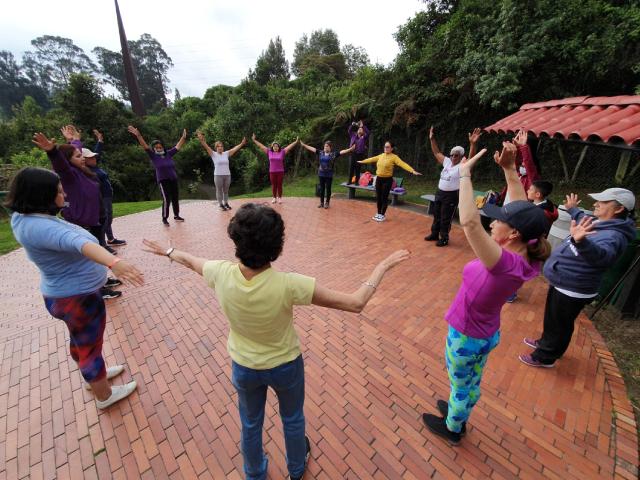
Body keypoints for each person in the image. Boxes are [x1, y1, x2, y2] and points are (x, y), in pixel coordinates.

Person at [142, 203, 409, 480]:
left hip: (244, 367)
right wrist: (381, 267)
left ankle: (255, 474)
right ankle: (296, 470)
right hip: (285, 366)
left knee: (250, 424)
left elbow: (191, 261)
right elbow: (356, 303)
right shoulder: (290, 284)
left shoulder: (219, 272)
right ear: (276, 246)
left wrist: (169, 252)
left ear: (236, 240)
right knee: (293, 419)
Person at [422, 142, 551, 446]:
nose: (492, 223)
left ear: (514, 233)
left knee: (462, 384)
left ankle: (454, 426)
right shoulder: (525, 258)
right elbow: (521, 209)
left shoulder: (503, 263)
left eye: (497, 221)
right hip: (485, 332)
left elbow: (468, 222)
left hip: (466, 335)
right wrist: (509, 170)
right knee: (469, 380)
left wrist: (464, 175)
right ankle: (459, 408)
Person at [5, 162, 144, 410]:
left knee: (82, 342)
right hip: (78, 298)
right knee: (89, 347)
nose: (64, 194)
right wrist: (114, 262)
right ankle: (104, 394)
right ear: (41, 197)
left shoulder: (23, 218)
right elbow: (80, 244)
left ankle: (94, 374)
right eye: (59, 191)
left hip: (62, 296)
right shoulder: (42, 228)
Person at [519, 188, 636, 368]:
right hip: (563, 282)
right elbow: (584, 220)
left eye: (603, 202)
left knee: (561, 324)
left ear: (619, 209)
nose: (596, 204)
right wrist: (573, 210)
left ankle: (545, 357)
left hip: (573, 288)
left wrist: (581, 242)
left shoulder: (614, 236)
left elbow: (602, 258)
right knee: (553, 318)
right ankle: (546, 343)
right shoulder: (604, 222)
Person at [56, 126, 122, 299]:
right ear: (68, 161)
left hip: (94, 220)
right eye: (78, 156)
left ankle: (102, 280)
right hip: (82, 222)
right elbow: (61, 163)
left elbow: (74, 155)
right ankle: (97, 290)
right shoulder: (69, 175)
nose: (83, 158)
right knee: (89, 258)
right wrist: (51, 150)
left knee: (99, 251)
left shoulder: (81, 171)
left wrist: (75, 141)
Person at [425, 127, 480, 246]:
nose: (452, 157)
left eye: (455, 155)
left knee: (446, 217)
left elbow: (471, 159)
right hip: (440, 192)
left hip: (451, 195)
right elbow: (436, 152)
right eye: (451, 155)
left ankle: (444, 238)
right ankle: (434, 234)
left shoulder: (462, 165)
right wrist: (432, 138)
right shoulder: (447, 162)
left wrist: (473, 145)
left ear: (460, 156)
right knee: (437, 214)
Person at [127, 125, 187, 225]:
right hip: (163, 181)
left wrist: (183, 137)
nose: (159, 148)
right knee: (166, 199)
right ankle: (164, 218)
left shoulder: (168, 153)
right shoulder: (153, 156)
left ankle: (176, 215)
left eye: (160, 147)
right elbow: (145, 146)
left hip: (173, 179)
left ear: (163, 147)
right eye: (157, 147)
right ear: (154, 149)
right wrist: (138, 136)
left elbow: (178, 146)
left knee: (175, 198)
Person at [358, 141, 421, 222]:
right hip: (379, 179)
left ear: (391, 148)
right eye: (385, 146)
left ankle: (382, 214)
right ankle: (378, 213)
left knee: (384, 197)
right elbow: (371, 159)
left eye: (387, 147)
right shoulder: (381, 156)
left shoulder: (394, 157)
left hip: (387, 180)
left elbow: (403, 164)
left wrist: (412, 171)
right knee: (379, 197)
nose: (385, 148)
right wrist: (362, 161)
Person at [87, 129, 127, 247]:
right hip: (100, 197)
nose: (94, 158)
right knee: (105, 218)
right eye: (91, 157)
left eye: (94, 157)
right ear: (84, 160)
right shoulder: (85, 170)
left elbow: (97, 152)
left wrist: (100, 140)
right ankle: (101, 242)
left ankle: (110, 238)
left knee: (108, 217)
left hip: (107, 195)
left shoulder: (94, 165)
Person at [196, 131, 246, 211]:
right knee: (219, 190)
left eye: (221, 146)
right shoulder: (213, 154)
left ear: (223, 147)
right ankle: (220, 204)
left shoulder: (226, 153)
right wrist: (201, 140)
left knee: (226, 191)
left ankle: (226, 203)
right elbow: (206, 146)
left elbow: (234, 149)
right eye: (218, 146)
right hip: (218, 175)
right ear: (216, 148)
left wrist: (242, 144)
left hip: (227, 175)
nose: (220, 147)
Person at [300, 140, 354, 208]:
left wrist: (350, 149)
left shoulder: (333, 154)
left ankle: (327, 203)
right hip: (321, 174)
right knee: (322, 189)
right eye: (325, 146)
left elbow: (342, 152)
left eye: (327, 146)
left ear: (330, 147)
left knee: (328, 189)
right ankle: (322, 203)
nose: (325, 147)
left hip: (329, 175)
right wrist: (304, 145)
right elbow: (312, 149)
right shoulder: (320, 153)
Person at [251, 134, 299, 204]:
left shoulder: (282, 152)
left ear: (279, 147)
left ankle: (279, 198)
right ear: (272, 147)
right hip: (272, 172)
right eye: (274, 146)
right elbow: (261, 146)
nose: (275, 147)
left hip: (280, 171)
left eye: (277, 146)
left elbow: (289, 147)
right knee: (274, 185)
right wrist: (254, 140)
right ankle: (274, 198)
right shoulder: (269, 152)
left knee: (279, 185)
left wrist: (296, 141)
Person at [347, 120, 370, 185]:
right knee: (351, 168)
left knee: (358, 168)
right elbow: (349, 131)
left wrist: (363, 126)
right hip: (352, 154)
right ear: (357, 131)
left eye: (361, 129)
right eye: (359, 129)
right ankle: (349, 181)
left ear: (363, 131)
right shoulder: (353, 135)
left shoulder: (364, 137)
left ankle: (357, 182)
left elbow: (368, 133)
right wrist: (353, 125)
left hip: (359, 155)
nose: (360, 130)